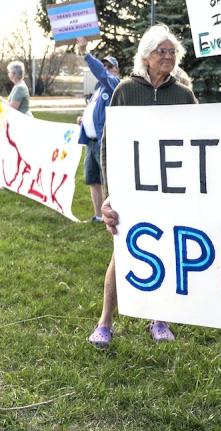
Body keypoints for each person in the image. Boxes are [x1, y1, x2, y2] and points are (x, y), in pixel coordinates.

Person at [87, 24, 197, 349]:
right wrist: (110, 193)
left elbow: (200, 138)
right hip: (132, 188)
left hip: (170, 189)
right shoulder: (124, 90)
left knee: (164, 251)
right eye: (160, 51)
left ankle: (159, 319)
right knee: (122, 252)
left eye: (171, 51)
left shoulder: (183, 95)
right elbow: (109, 144)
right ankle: (105, 322)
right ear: (146, 57)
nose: (167, 56)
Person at [75, 36, 121, 222]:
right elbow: (95, 111)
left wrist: (86, 53)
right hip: (91, 141)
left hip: (104, 142)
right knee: (93, 180)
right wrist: (84, 120)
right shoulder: (98, 88)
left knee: (109, 181)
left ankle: (114, 216)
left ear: (116, 69)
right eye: (105, 66)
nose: (106, 69)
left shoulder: (114, 84)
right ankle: (98, 215)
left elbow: (101, 74)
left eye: (109, 66)